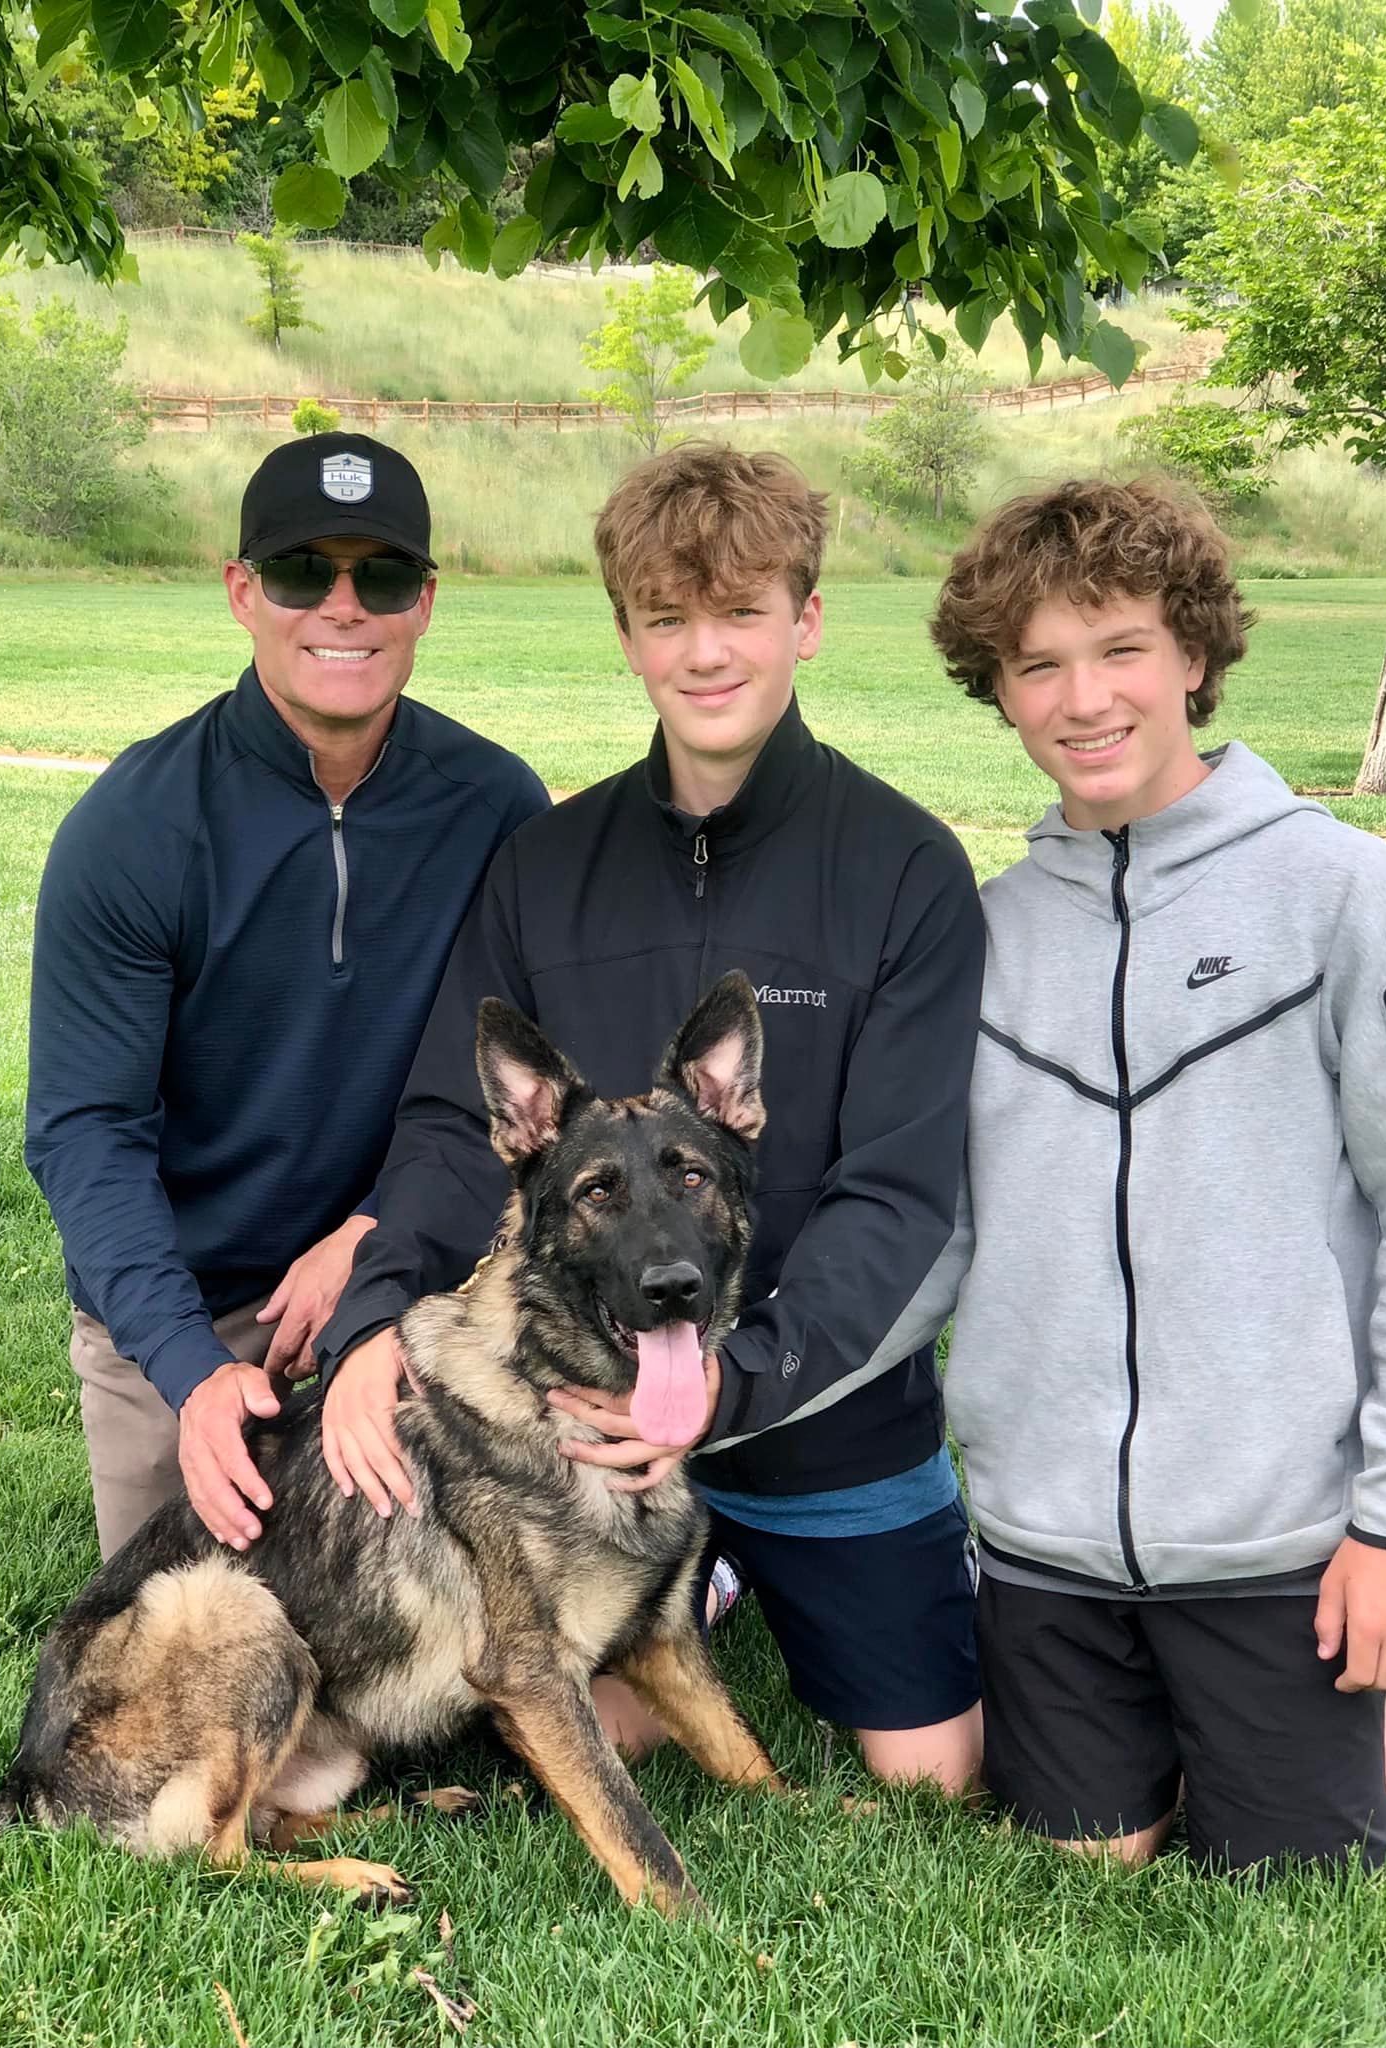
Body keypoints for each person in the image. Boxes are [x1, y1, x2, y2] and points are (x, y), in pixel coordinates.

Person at [315, 442, 987, 1793]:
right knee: (572, 1728)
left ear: (804, 618)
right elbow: (458, 1129)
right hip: (579, 1422)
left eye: (742, 613)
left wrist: (740, 1386)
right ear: (627, 636)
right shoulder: (546, 863)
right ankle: (688, 1595)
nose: (706, 654)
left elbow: (904, 1201)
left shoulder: (906, 868)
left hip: (818, 1414)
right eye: (668, 619)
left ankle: (776, 1573)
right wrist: (368, 1323)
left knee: (933, 1769)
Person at [920, 476, 1386, 1869]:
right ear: (997, 691)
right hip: (1046, 1547)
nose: (1083, 698)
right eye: (1037, 664)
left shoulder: (1345, 893)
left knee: (1303, 1869)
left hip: (1271, 1535)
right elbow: (938, 1230)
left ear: (1195, 658)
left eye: (1120, 650)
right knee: (1086, 1859)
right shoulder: (985, 938)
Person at [26, 432, 548, 1561]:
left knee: (457, 1618)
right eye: (305, 571)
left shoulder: (497, 806)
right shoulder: (131, 829)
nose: (344, 608)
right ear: (243, 592)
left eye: (385, 576)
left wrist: (373, 1235)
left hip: (417, 1270)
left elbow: (493, 1091)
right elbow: (86, 1133)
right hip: (188, 1301)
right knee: (192, 1640)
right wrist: (191, 1368)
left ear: (426, 603)